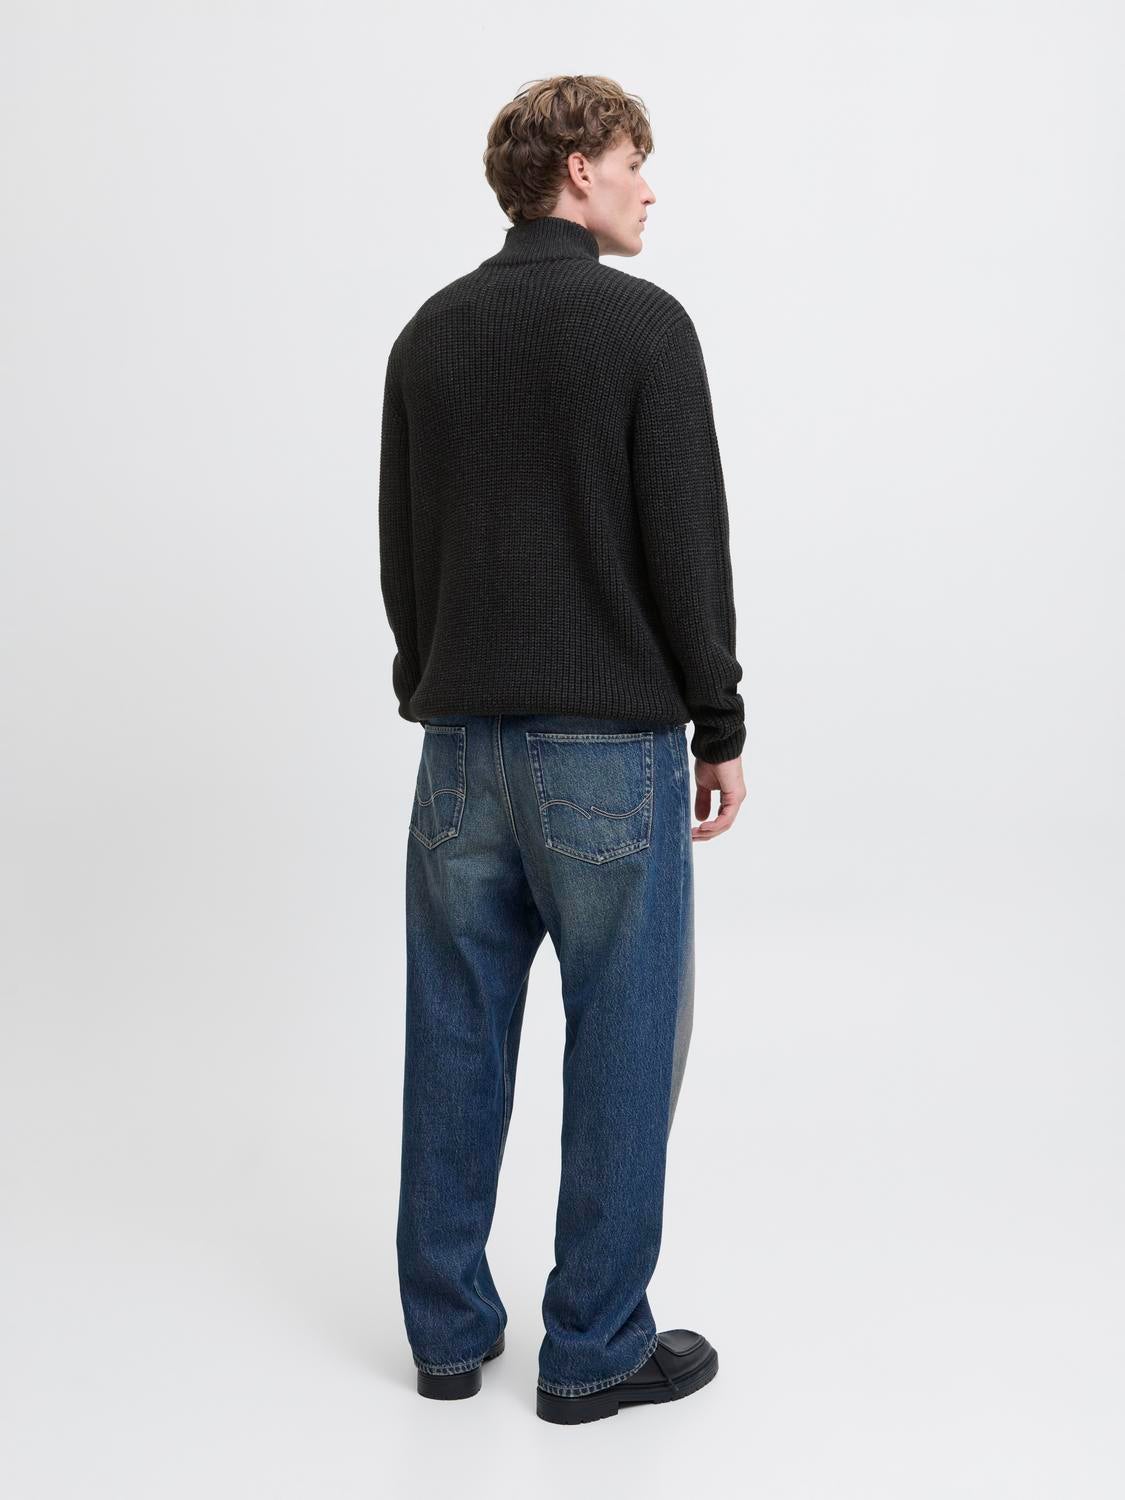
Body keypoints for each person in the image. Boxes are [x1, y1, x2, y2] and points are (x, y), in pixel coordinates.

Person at [378, 74, 747, 1425]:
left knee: (454, 1033)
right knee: (624, 1039)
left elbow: (403, 548)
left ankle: (445, 1334)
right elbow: (684, 543)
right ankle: (592, 1347)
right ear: (579, 168)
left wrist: (433, 685)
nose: (650, 187)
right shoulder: (643, 327)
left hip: (457, 747)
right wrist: (718, 719)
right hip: (606, 748)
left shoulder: (429, 334)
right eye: (636, 161)